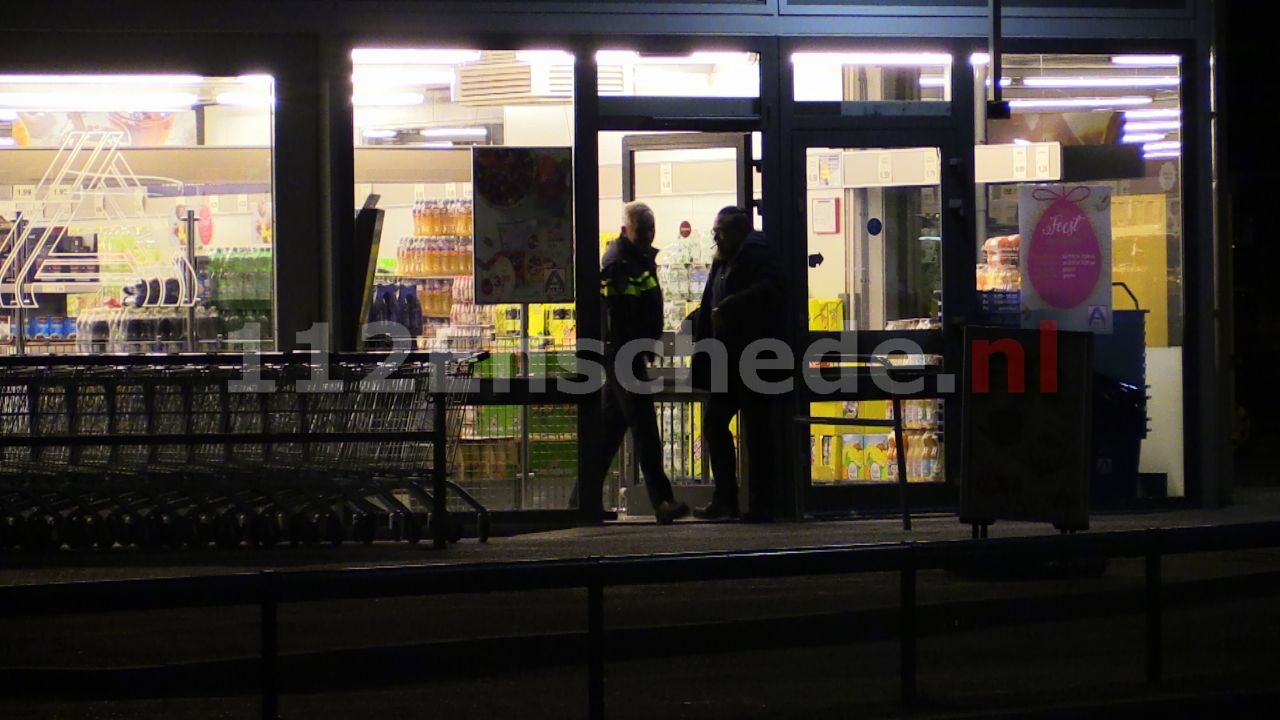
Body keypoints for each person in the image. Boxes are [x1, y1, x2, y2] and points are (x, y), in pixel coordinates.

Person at [576, 201, 690, 525]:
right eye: (643, 229)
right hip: (624, 354)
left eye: (652, 229)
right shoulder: (619, 262)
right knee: (645, 426)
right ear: (627, 228)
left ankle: (580, 502)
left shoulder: (635, 259)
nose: (649, 235)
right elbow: (619, 313)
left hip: (627, 352)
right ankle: (662, 501)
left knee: (609, 432)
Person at [689, 206, 786, 522]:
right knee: (715, 424)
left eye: (721, 230)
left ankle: (762, 504)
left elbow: (771, 291)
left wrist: (731, 306)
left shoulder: (757, 253)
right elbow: (711, 303)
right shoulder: (724, 260)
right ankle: (726, 499)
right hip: (728, 359)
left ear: (738, 231)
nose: (715, 236)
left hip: (754, 358)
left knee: (757, 431)